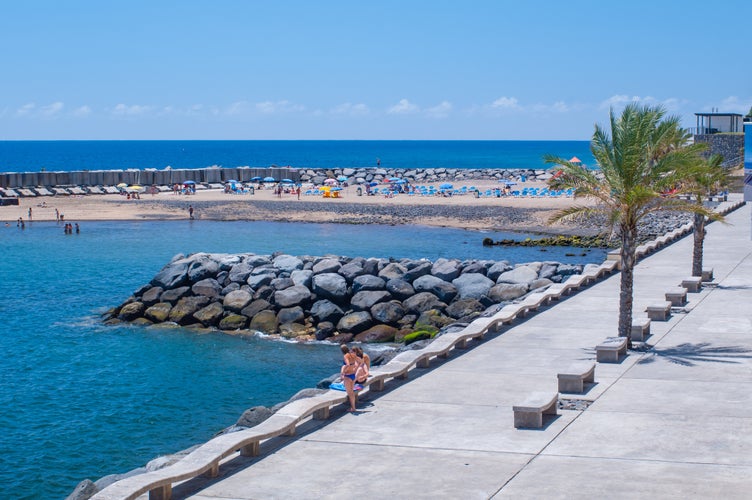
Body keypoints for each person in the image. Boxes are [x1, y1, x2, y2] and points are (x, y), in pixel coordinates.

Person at [340, 344, 360, 412]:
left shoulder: (345, 356)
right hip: (353, 375)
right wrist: (355, 368)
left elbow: (347, 364)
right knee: (352, 393)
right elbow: (360, 361)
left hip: (348, 376)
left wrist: (343, 372)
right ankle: (353, 407)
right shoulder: (352, 355)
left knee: (350, 393)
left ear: (342, 350)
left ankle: (353, 408)